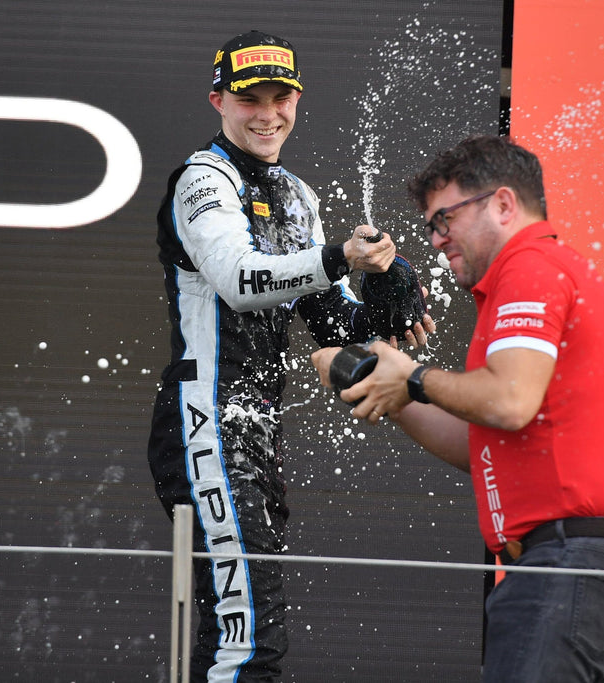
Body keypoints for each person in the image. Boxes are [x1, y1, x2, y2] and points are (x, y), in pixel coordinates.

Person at [311, 135, 604, 682]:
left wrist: (412, 376)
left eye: (444, 220)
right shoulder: (524, 278)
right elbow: (475, 443)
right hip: (574, 562)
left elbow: (507, 401)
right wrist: (386, 388)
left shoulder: (531, 267)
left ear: (503, 205)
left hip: (574, 561)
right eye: (431, 226)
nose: (434, 241)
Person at [147, 30, 433, 682]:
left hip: (253, 429)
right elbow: (240, 279)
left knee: (233, 635)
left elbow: (337, 323)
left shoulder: (296, 195)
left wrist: (389, 285)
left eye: (281, 96)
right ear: (217, 98)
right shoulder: (203, 178)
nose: (268, 112)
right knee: (250, 647)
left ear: (298, 99)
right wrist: (338, 258)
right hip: (205, 422)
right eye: (251, 98)